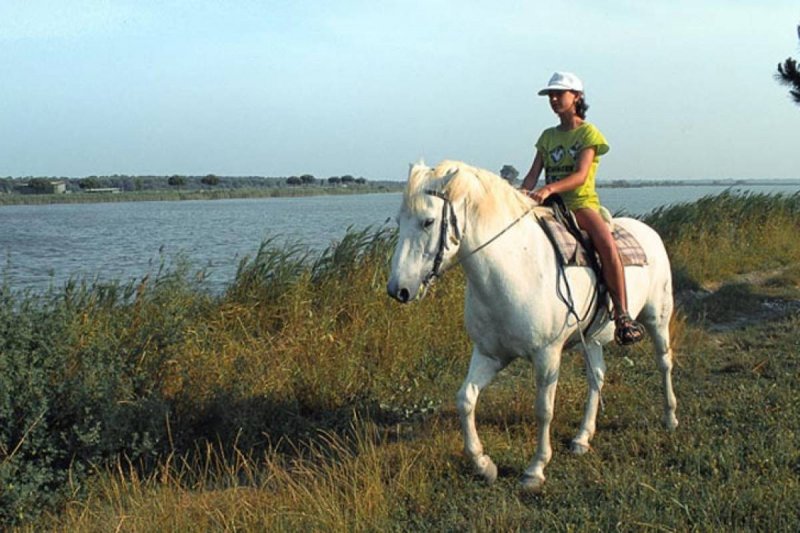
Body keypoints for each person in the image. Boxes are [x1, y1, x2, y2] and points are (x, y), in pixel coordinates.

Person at [520, 71, 645, 345]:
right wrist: (521, 194)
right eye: (550, 95)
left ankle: (623, 314)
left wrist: (549, 188)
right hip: (552, 206)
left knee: (607, 246)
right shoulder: (547, 136)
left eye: (559, 94)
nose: (553, 99)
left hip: (580, 204)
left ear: (576, 96)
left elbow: (580, 174)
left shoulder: (588, 133)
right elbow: (532, 174)